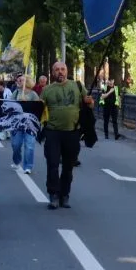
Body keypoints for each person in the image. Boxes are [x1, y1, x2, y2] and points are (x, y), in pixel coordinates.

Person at [42, 61, 87, 210]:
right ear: (52, 72)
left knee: (68, 167)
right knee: (53, 164)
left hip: (72, 132)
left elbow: (89, 104)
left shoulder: (78, 86)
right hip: (53, 132)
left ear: (67, 71)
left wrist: (90, 102)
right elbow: (38, 109)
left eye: (62, 69)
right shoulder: (47, 90)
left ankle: (64, 195)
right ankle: (53, 195)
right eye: (57, 70)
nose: (60, 72)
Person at [4, 73, 39, 174]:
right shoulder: (16, 92)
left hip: (29, 124)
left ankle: (28, 166)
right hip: (17, 124)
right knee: (16, 144)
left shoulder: (33, 94)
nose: (18, 81)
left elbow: (37, 109)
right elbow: (9, 106)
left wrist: (27, 103)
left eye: (21, 80)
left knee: (29, 145)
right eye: (18, 80)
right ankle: (16, 161)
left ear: (27, 82)